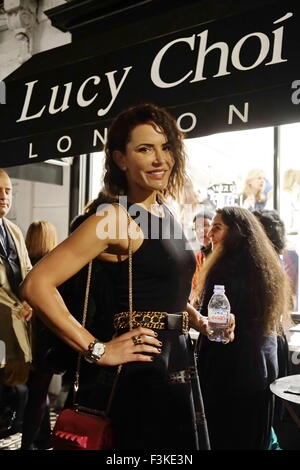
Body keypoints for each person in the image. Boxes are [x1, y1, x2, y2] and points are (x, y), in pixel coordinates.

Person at [20, 103, 234, 450]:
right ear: (121, 159)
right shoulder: (115, 218)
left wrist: (201, 322)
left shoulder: (165, 211)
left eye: (165, 147)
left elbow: (164, 290)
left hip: (177, 361)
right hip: (140, 373)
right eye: (144, 149)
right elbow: (36, 284)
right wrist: (97, 349)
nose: (159, 159)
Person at [196, 206, 291, 450]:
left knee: (224, 436)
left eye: (217, 228)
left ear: (236, 233)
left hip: (230, 372)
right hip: (262, 369)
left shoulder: (223, 269)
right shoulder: (265, 267)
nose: (209, 234)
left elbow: (213, 326)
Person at [0, 169, 32, 437]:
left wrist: (30, 299)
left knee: (16, 378)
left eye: (8, 190)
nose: (3, 196)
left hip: (17, 320)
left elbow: (27, 270)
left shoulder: (14, 231)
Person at [21, 221, 58, 449]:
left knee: (36, 393)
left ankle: (43, 438)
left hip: (24, 340)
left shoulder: (23, 267)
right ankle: (28, 443)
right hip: (45, 341)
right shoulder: (53, 270)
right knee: (38, 395)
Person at [190, 208, 213, 308]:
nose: (201, 230)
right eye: (197, 227)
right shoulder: (197, 257)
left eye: (205, 225)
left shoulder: (223, 256)